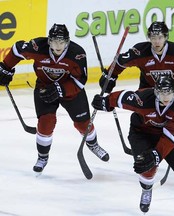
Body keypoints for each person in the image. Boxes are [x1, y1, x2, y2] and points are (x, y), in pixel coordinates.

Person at [0, 23, 109, 175]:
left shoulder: (77, 53)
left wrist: (59, 89)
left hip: (70, 91)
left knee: (84, 124)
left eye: (62, 42)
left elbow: (79, 81)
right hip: (44, 88)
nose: (58, 45)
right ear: (49, 41)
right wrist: (5, 67)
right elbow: (18, 49)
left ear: (67, 41)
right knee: (46, 122)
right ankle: (42, 157)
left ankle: (93, 144)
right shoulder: (38, 46)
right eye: (55, 41)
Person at [92, 75, 174, 214]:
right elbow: (123, 97)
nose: (165, 97)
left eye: (169, 93)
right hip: (141, 134)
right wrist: (106, 102)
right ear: (155, 91)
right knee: (146, 166)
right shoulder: (144, 98)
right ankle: (146, 190)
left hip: (167, 138)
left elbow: (171, 137)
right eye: (162, 93)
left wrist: (156, 155)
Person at [99, 21, 174, 93]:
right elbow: (120, 61)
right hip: (148, 91)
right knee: (137, 116)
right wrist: (109, 76)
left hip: (171, 93)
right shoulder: (141, 51)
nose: (156, 41)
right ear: (149, 37)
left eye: (160, 37)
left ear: (166, 37)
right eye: (153, 38)